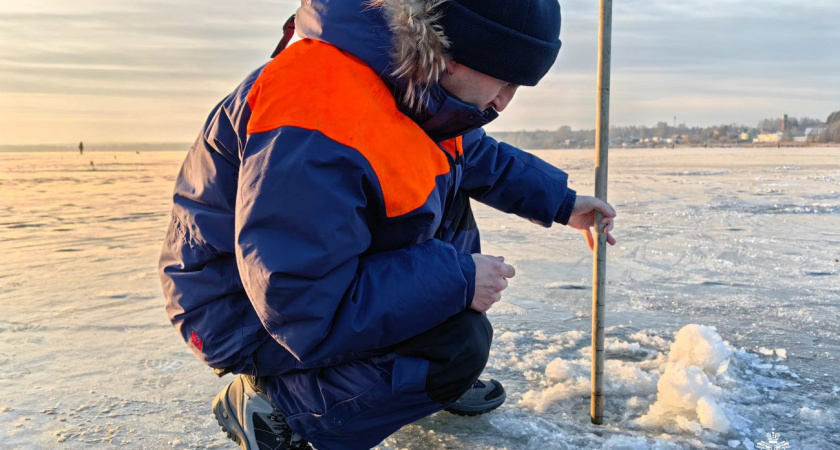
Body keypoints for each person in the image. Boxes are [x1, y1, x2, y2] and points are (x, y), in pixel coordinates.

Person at [158, 0, 617, 448]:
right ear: (455, 56)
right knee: (456, 345)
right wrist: (457, 279)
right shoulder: (316, 115)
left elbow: (472, 154)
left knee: (446, 194)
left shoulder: (407, 78)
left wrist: (563, 202)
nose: (503, 102)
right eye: (504, 81)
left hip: (300, 284)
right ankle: (279, 404)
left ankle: (405, 388)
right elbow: (300, 305)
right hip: (240, 311)